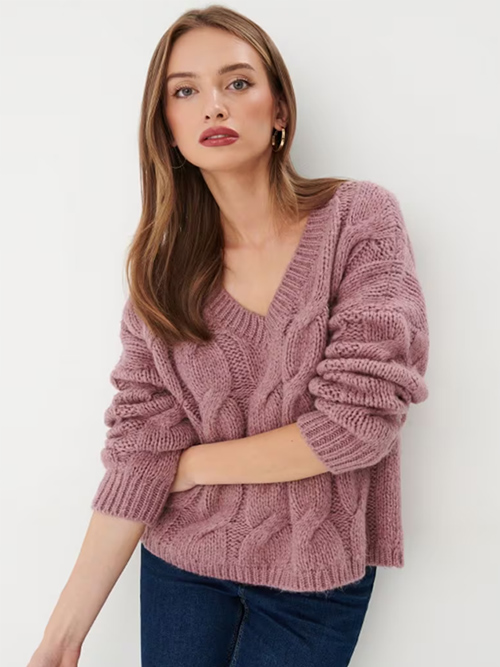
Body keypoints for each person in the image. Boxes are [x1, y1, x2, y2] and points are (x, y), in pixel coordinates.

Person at [27, 4, 430, 667]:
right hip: (182, 566)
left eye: (237, 82)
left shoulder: (358, 219)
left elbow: (358, 424)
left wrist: (191, 465)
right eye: (185, 91)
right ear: (168, 128)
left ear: (279, 110)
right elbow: (137, 454)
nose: (213, 105)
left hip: (315, 580)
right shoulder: (162, 278)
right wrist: (61, 637)